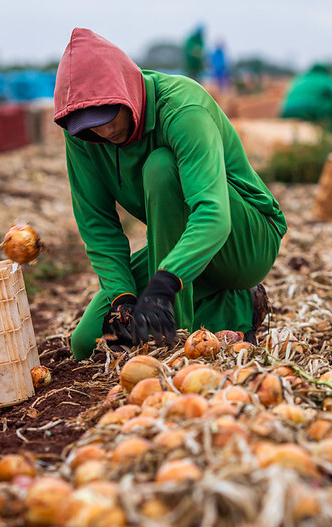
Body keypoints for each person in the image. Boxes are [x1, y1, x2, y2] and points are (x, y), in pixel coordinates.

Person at [52, 28, 288, 361]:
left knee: (161, 167)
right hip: (181, 242)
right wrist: (122, 299)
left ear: (128, 91)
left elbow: (212, 214)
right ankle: (232, 302)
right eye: (89, 125)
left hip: (245, 241)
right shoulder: (82, 134)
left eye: (107, 116)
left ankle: (183, 338)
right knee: (89, 341)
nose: (104, 131)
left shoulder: (182, 107)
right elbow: (97, 225)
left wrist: (165, 282)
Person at [280, 63, 332, 134]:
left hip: (286, 112)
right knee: (331, 102)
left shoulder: (299, 79)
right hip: (309, 111)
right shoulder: (326, 79)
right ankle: (329, 133)